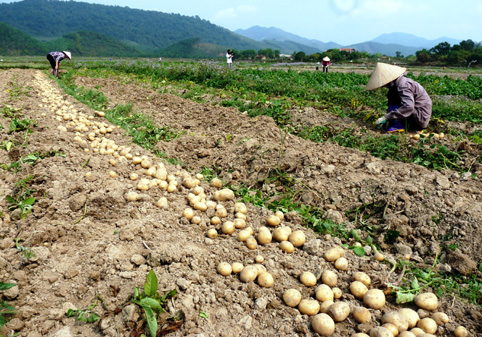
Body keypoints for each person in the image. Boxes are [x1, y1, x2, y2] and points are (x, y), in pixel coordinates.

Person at [366, 63, 432, 133]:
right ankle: (395, 123)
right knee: (392, 93)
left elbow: (408, 106)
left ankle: (398, 125)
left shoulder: (403, 85)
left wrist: (387, 117)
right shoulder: (398, 84)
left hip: (419, 119)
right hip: (414, 116)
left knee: (393, 96)